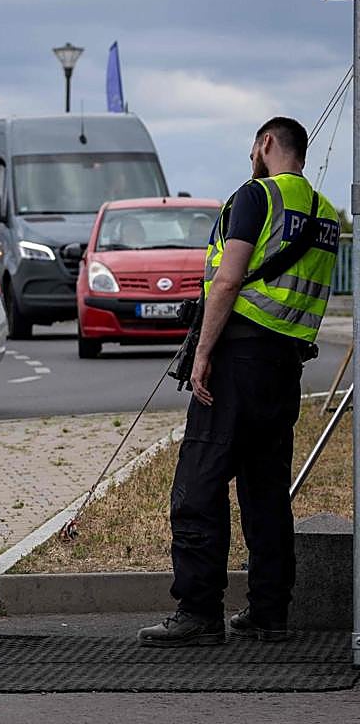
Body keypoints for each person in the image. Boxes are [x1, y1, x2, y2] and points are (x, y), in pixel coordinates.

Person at [138, 117, 340, 648]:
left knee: (200, 483)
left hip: (237, 360)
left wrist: (202, 353)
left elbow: (228, 278)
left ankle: (199, 612)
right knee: (266, 492)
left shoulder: (256, 196)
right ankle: (269, 613)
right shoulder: (324, 213)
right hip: (285, 366)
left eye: (254, 146)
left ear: (266, 144)